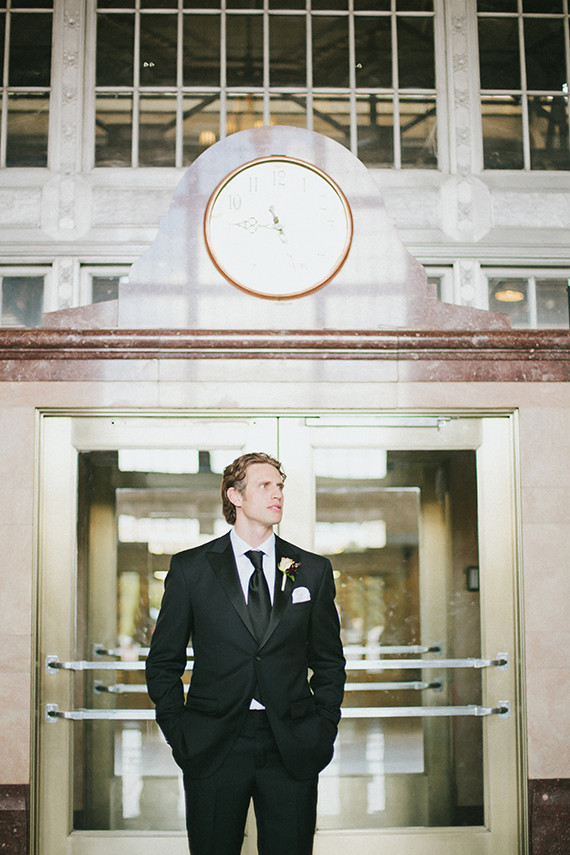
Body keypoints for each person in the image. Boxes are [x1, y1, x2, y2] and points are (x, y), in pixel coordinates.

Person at [146, 451, 346, 855]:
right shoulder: (191, 569)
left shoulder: (311, 570)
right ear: (235, 496)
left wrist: (322, 728)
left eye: (280, 486)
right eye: (265, 486)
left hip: (292, 743)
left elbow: (328, 661)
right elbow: (164, 660)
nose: (277, 495)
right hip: (213, 743)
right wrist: (180, 732)